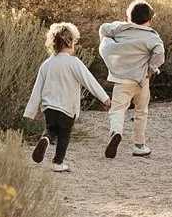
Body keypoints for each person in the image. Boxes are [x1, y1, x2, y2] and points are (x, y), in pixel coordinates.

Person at [23, 21, 109, 172]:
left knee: (51, 130)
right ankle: (57, 163)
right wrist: (104, 97)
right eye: (74, 41)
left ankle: (46, 139)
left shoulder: (47, 64)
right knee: (64, 134)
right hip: (67, 108)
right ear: (69, 42)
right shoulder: (74, 62)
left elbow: (37, 89)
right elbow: (89, 81)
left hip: (49, 107)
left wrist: (30, 112)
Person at [98, 0, 165, 159]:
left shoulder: (120, 29)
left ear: (129, 17)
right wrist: (152, 68)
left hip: (121, 80)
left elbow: (103, 29)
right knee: (141, 111)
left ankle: (116, 132)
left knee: (117, 110)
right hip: (141, 81)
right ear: (149, 20)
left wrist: (111, 41)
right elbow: (160, 53)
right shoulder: (152, 37)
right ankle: (139, 146)